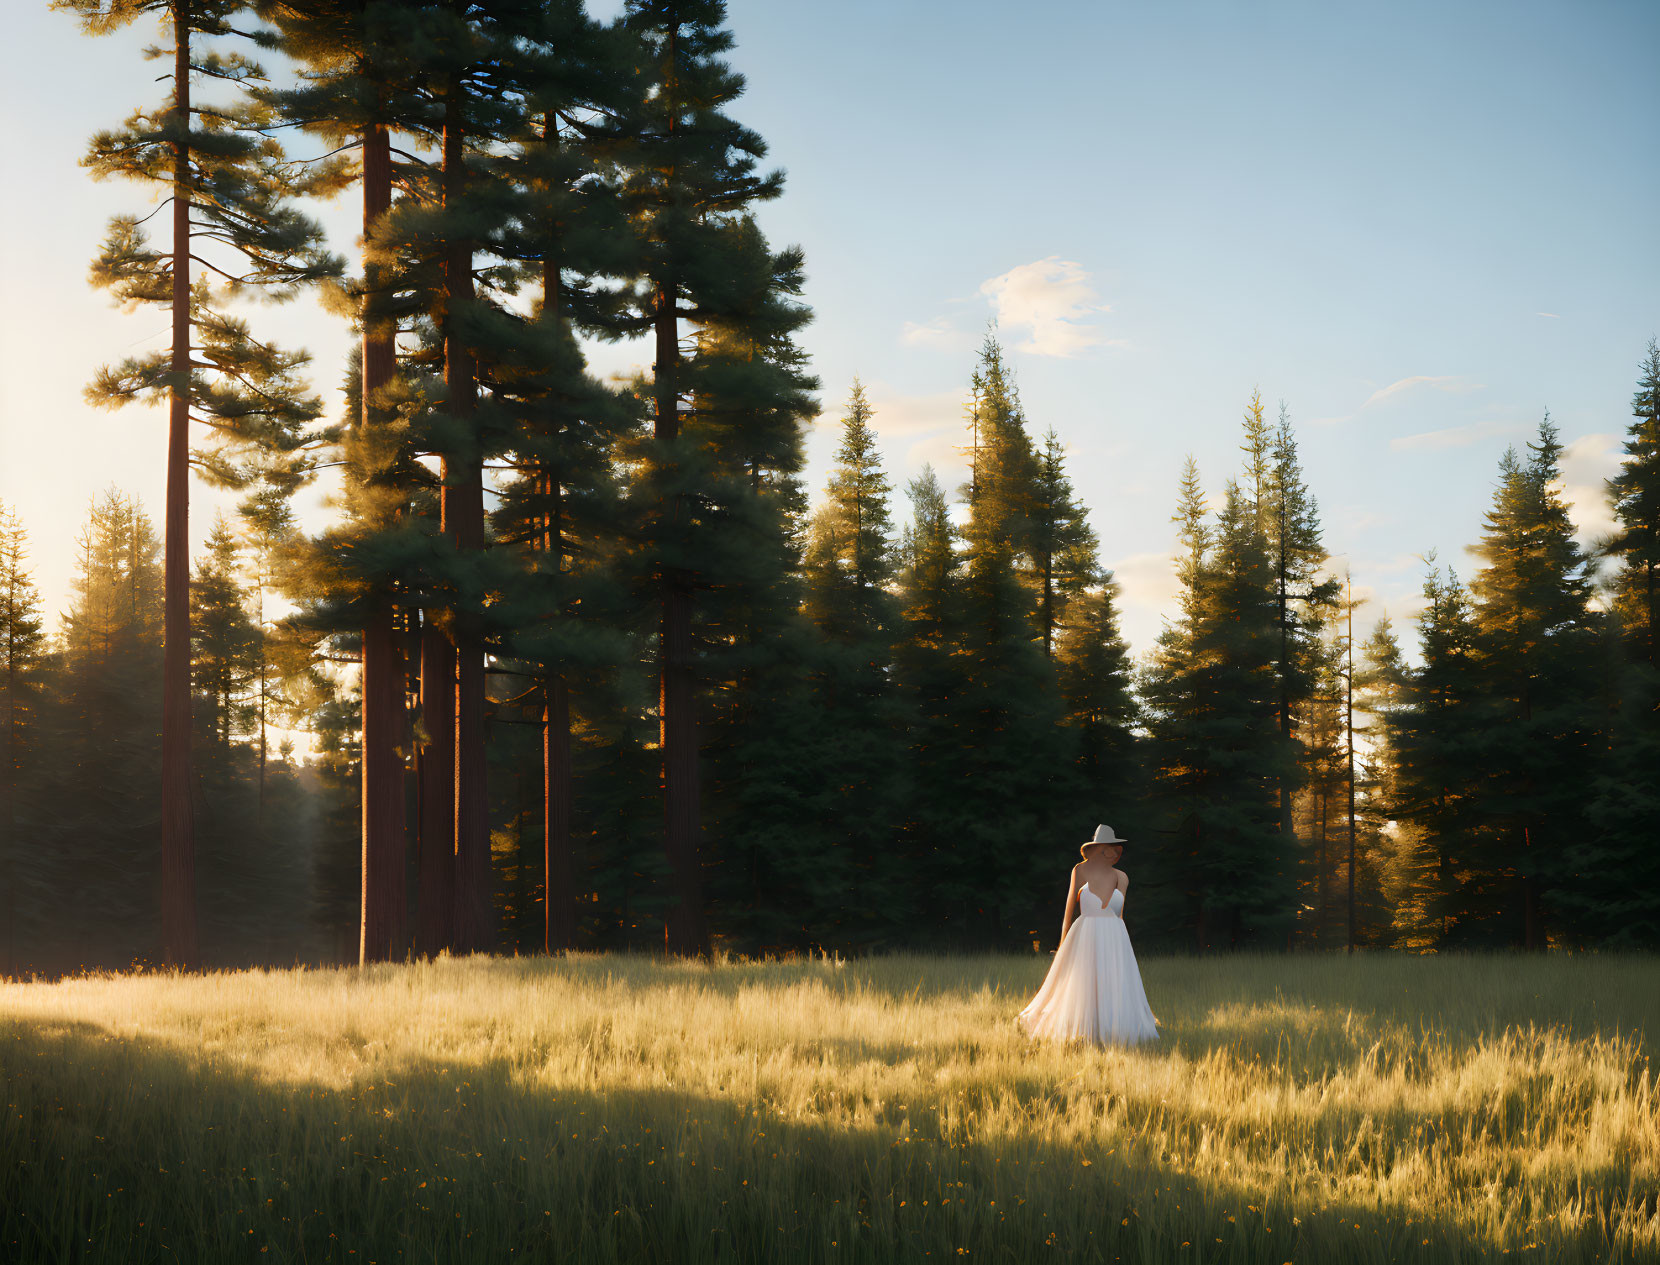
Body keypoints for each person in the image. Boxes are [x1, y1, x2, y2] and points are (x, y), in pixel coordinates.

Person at [1018, 824, 1159, 1045]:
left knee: (1112, 978)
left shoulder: (1121, 876)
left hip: (1114, 934)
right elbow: (1068, 910)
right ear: (1100, 849)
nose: (1115, 852)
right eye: (1110, 847)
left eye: (1116, 848)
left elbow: (1118, 912)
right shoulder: (1079, 870)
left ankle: (1110, 1026)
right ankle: (1085, 1027)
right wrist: (1063, 942)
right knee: (1083, 979)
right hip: (1086, 932)